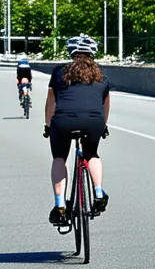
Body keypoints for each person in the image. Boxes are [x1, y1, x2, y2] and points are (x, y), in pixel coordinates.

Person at [43, 34, 110, 225]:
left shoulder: (59, 72)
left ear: (71, 52)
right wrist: (103, 125)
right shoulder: (101, 75)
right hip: (94, 121)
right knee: (92, 155)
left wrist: (48, 125)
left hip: (63, 121)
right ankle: (98, 191)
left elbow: (51, 102)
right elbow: (105, 104)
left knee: (59, 158)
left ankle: (60, 205)